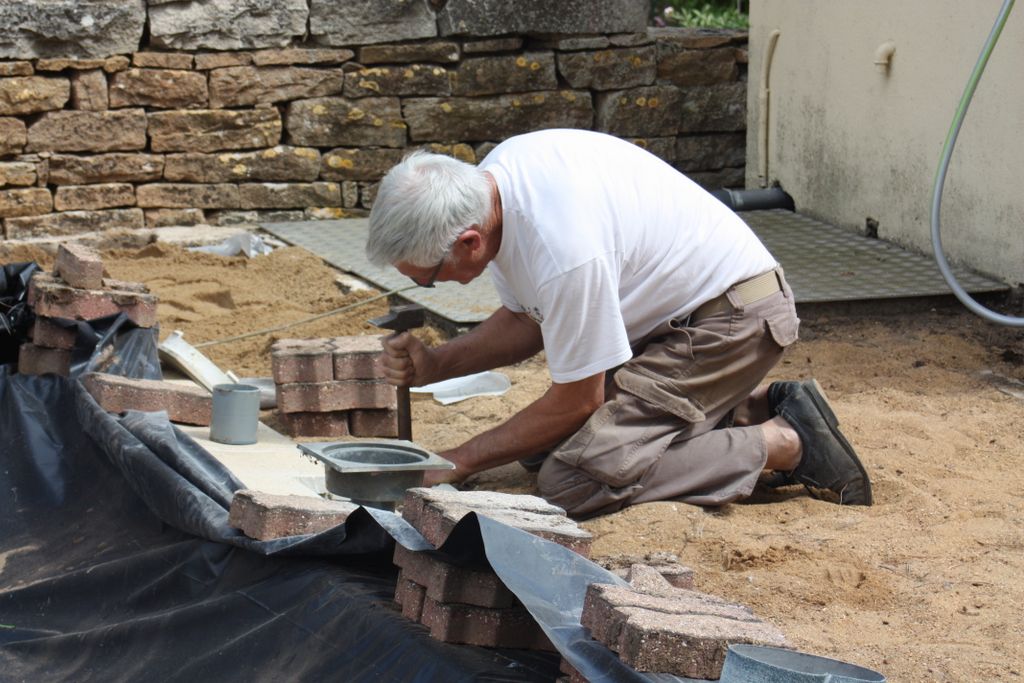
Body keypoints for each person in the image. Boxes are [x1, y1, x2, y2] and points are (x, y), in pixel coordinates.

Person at [365, 129, 872, 518]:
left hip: (731, 321)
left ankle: (788, 441)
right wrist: (437, 364)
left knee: (572, 481)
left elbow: (576, 401)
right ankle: (749, 407)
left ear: (470, 241)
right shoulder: (495, 183)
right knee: (543, 449)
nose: (431, 285)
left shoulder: (563, 248)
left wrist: (459, 460)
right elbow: (526, 319)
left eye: (429, 277)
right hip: (682, 321)